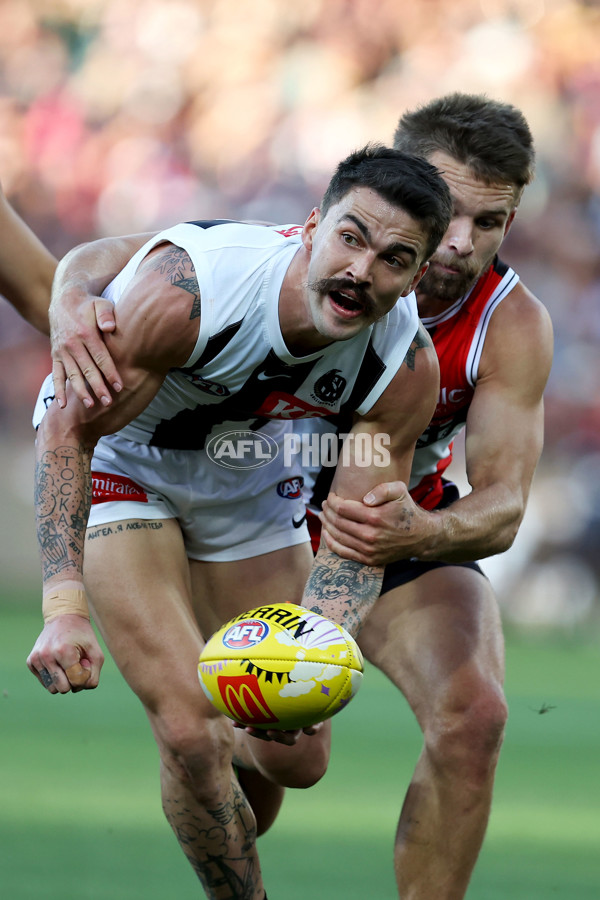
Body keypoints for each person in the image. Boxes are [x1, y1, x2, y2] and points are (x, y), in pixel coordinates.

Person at [26, 145, 452, 900]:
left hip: (245, 477)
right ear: (311, 227)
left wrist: (312, 657)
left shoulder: (404, 368)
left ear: (417, 277)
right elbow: (70, 431)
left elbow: (355, 540)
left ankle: (204, 748)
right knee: (192, 729)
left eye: (394, 258)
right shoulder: (194, 291)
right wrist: (64, 606)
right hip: (126, 461)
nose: (361, 271)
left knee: (300, 757)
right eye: (350, 238)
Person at [309, 94, 554, 899]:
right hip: (251, 520)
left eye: (491, 222)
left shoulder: (510, 324)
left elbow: (506, 503)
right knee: (281, 761)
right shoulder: (317, 256)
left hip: (391, 528)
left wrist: (417, 528)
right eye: (449, 210)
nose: (461, 242)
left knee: (474, 714)